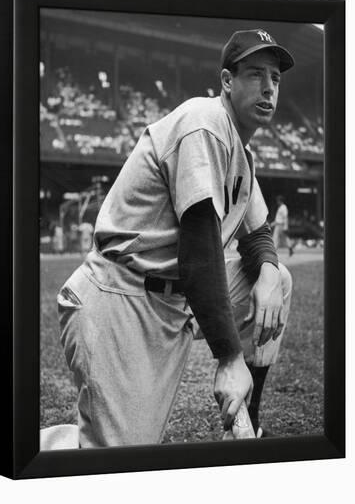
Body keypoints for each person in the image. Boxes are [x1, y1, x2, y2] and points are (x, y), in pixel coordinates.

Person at [57, 29, 294, 447]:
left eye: (275, 78)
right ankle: (30, 452)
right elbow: (199, 245)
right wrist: (229, 357)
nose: (269, 87)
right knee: (118, 459)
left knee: (279, 282)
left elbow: (258, 235)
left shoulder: (242, 150)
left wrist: (271, 273)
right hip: (121, 300)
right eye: (256, 74)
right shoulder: (203, 122)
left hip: (171, 301)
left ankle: (246, 429)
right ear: (226, 81)